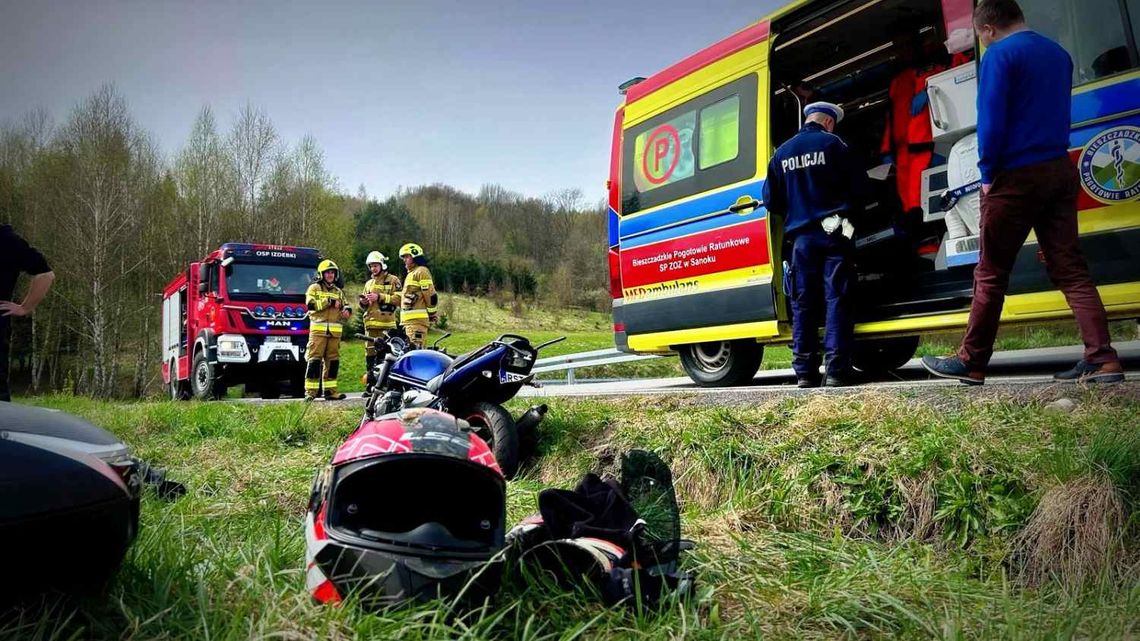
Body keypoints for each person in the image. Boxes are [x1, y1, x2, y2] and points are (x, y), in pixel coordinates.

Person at [923, 0, 1124, 385]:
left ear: (986, 30)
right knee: (1070, 267)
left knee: (992, 270)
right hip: (1057, 168)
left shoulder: (999, 55)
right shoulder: (1059, 54)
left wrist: (986, 173)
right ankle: (1102, 358)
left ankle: (972, 361)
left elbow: (993, 122)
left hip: (1014, 174)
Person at [763, 102, 866, 388]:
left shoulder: (781, 153)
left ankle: (805, 373)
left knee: (803, 305)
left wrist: (798, 210)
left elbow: (771, 201)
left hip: (801, 238)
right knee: (838, 299)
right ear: (829, 122)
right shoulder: (835, 144)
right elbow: (860, 189)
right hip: (836, 231)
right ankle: (836, 371)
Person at [0, 225, 54, 402]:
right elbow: (45, 274)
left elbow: (46, 274)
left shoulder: (7, 239)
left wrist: (24, 307)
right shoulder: (8, 238)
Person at [304, 259, 352, 400]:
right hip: (318, 332)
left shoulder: (339, 291)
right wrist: (328, 302)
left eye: (332, 272)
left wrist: (347, 311)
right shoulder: (314, 288)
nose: (330, 275)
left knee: (333, 362)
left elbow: (346, 305)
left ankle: (330, 391)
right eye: (327, 273)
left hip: (334, 333)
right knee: (314, 361)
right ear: (321, 274)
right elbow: (310, 305)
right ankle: (310, 393)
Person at [357, 251, 402, 390]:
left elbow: (400, 299)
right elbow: (365, 306)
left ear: (382, 265)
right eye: (371, 266)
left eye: (375, 265)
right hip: (370, 326)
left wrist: (380, 297)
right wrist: (363, 302)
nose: (373, 269)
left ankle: (385, 387)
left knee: (385, 356)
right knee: (370, 356)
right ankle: (370, 387)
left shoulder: (393, 280)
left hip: (387, 326)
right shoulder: (369, 283)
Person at [397, 243, 437, 350]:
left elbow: (430, 295)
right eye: (403, 257)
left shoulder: (421, 271)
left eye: (406, 256)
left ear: (415, 256)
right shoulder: (411, 273)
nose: (404, 260)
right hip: (410, 323)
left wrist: (432, 313)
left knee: (415, 353)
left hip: (416, 323)